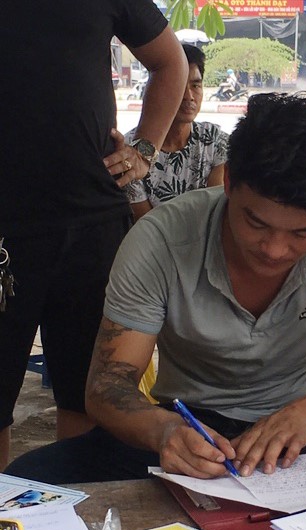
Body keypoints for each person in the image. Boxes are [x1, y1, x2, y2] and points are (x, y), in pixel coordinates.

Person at [5, 92, 306, 484]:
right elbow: (107, 383)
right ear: (229, 182)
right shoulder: (162, 239)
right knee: (24, 487)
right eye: (256, 223)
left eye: (305, 232)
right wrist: (163, 431)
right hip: (187, 426)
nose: (274, 250)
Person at [0, 2, 188, 470]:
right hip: (4, 233)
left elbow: (171, 62)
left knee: (89, 399)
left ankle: (78, 529)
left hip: (93, 224)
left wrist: (144, 147)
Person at [125, 44, 229, 221]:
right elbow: (146, 225)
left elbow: (214, 213)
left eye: (196, 85)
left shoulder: (214, 141)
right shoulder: (132, 152)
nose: (189, 96)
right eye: (179, 86)